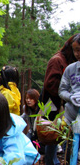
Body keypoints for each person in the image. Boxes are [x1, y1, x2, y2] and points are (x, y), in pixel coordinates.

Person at [41, 33, 79, 165]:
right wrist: (66, 95)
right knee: (51, 134)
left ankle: (54, 160)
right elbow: (50, 84)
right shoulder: (57, 60)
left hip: (59, 102)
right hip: (50, 103)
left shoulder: (69, 62)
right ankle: (50, 161)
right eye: (76, 50)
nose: (77, 54)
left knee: (59, 133)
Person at [58, 33, 80, 165]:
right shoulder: (70, 69)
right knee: (69, 146)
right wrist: (71, 97)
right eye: (75, 50)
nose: (77, 53)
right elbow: (62, 90)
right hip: (71, 114)